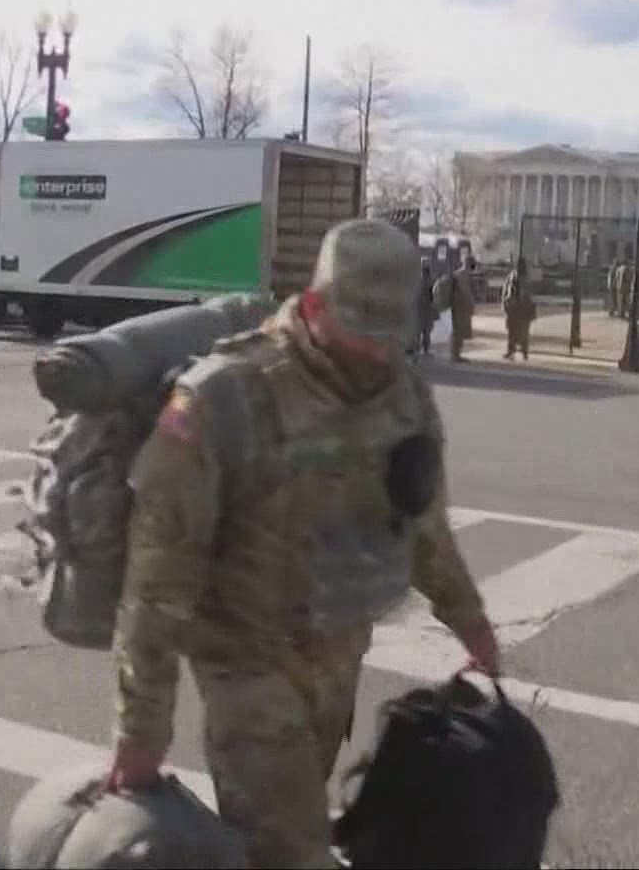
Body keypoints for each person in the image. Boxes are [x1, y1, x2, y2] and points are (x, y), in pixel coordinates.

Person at [106, 218, 501, 869]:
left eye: (390, 333)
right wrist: (141, 728)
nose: (377, 352)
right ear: (314, 306)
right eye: (361, 330)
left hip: (338, 659)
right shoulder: (223, 398)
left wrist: (472, 624)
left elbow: (424, 525)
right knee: (293, 850)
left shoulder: (404, 397)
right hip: (245, 665)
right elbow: (157, 574)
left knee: (285, 834)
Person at [502, 257, 536, 360]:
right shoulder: (525, 277)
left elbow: (510, 291)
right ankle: (522, 352)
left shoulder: (514, 276)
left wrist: (508, 302)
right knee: (522, 331)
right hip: (522, 308)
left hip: (517, 308)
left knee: (514, 330)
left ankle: (513, 351)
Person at [446, 255, 476, 361]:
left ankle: (456, 354)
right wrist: (471, 304)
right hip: (460, 307)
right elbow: (465, 292)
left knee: (458, 331)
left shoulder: (458, 274)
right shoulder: (463, 275)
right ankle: (455, 355)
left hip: (458, 306)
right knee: (458, 331)